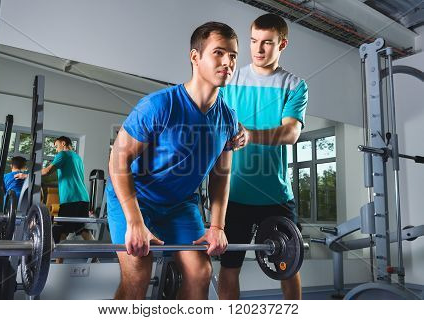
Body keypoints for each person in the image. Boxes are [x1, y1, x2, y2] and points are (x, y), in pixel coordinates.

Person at [107, 21, 239, 300]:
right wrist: (134, 221)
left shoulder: (228, 118)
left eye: (233, 56)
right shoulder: (159, 105)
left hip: (180, 205)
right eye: (218, 53)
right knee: (139, 273)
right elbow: (118, 161)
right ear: (195, 57)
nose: (228, 61)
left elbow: (221, 175)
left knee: (200, 274)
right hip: (135, 198)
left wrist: (217, 226)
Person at [218, 13, 308, 300]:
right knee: (229, 269)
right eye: (254, 41)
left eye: (267, 43)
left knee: (289, 267)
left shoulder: (295, 85)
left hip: (277, 196)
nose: (258, 49)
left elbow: (291, 134)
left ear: (282, 44)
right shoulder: (230, 80)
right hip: (234, 194)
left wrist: (250, 135)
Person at [42, 136, 95, 252]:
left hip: (71, 199)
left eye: (56, 146)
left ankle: (57, 262)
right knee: (83, 230)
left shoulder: (63, 155)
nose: (56, 150)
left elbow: (47, 171)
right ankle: (96, 258)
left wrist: (28, 175)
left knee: (62, 231)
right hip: (83, 198)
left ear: (63, 143)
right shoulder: (77, 158)